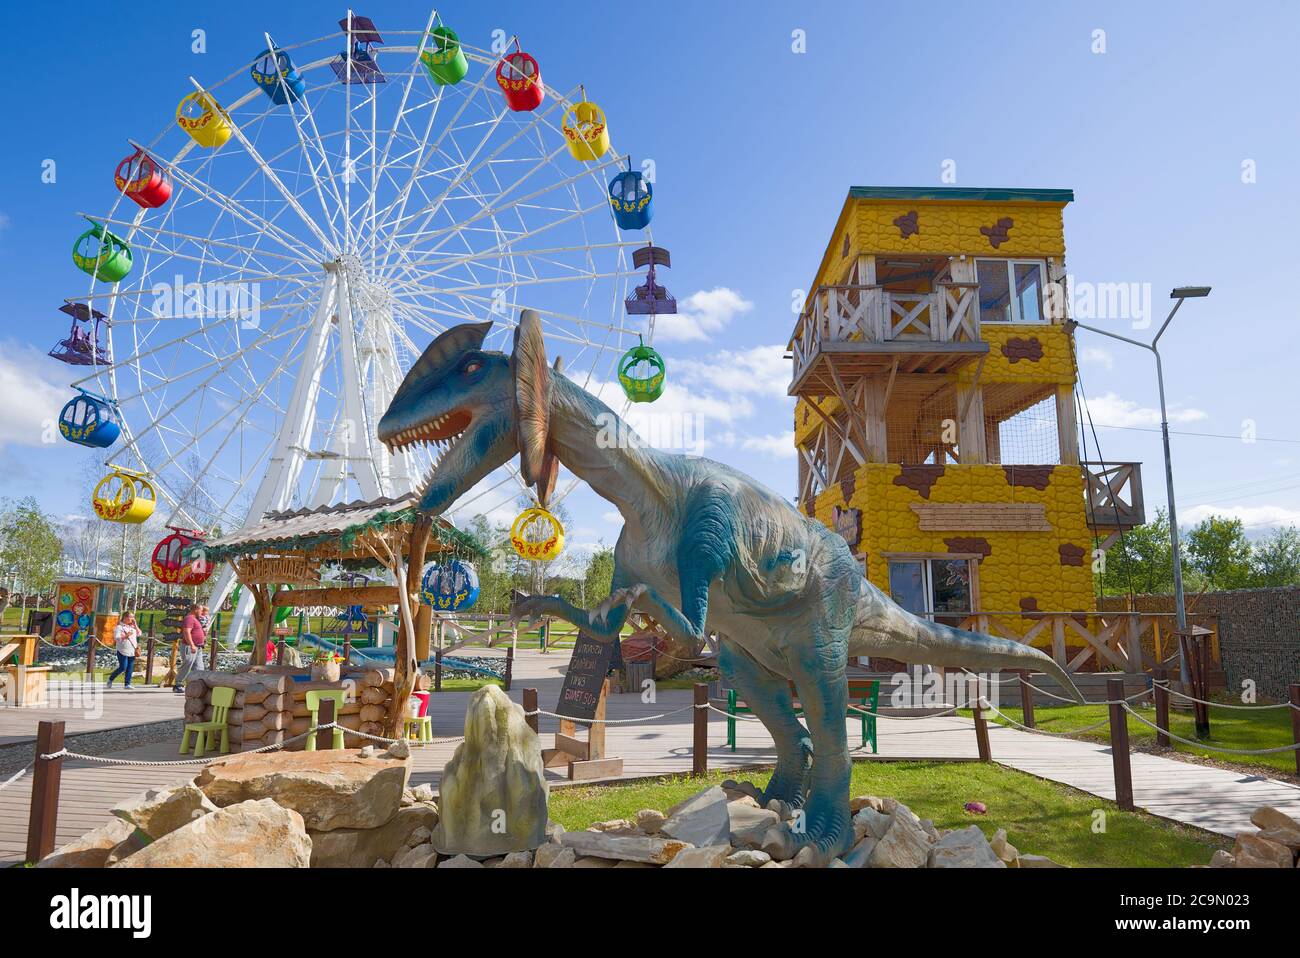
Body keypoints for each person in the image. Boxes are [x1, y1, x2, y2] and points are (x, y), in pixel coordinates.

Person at [174, 603, 206, 693]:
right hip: (190, 646)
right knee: (187, 664)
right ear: (195, 609)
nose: (202, 612)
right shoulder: (189, 618)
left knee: (199, 667)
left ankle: (197, 685)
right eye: (201, 610)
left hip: (198, 647)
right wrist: (191, 644)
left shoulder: (195, 619)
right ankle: (178, 684)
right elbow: (186, 632)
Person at [107, 611, 140, 690]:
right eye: (130, 617)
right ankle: (110, 679)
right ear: (125, 618)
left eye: (133, 617)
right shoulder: (119, 627)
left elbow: (139, 633)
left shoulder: (132, 627)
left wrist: (135, 625)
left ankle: (127, 684)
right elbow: (117, 638)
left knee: (130, 667)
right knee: (123, 667)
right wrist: (125, 636)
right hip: (122, 650)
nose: (132, 619)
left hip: (132, 650)